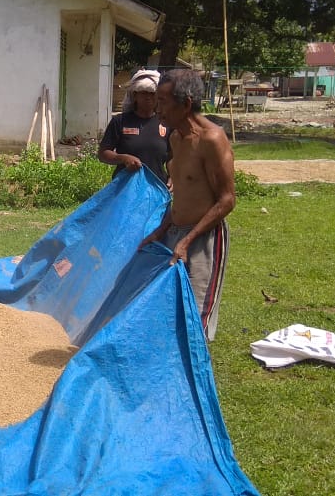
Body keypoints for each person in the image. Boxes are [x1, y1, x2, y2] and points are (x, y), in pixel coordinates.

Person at [140, 69, 235, 342]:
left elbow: (227, 200)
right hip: (175, 234)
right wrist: (161, 230)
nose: (157, 109)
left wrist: (188, 240)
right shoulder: (175, 138)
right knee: (169, 309)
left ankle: (194, 369)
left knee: (196, 316)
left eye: (163, 101)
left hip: (204, 239)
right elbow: (182, 192)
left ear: (186, 103)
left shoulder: (212, 140)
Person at [98, 69, 169, 185]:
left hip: (156, 187)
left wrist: (173, 177)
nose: (148, 97)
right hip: (126, 187)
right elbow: (103, 154)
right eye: (144, 93)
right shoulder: (120, 121)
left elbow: (173, 157)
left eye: (152, 93)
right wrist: (123, 158)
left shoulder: (166, 123)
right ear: (135, 95)